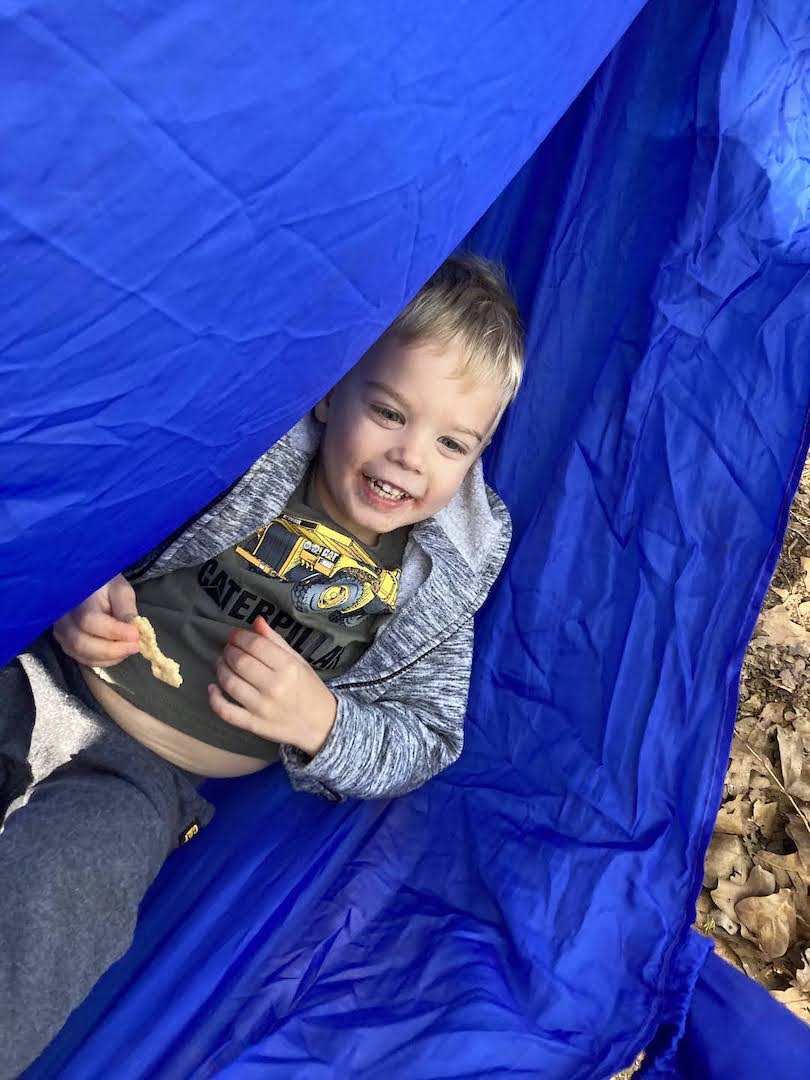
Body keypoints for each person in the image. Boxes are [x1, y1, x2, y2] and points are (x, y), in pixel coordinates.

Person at [0, 252, 525, 1076]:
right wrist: (80, 590)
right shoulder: (253, 447)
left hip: (147, 783)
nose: (409, 457)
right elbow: (109, 499)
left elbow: (427, 734)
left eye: (453, 442)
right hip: (42, 678)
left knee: (63, 896)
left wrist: (326, 725)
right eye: (388, 411)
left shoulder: (438, 577)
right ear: (329, 389)